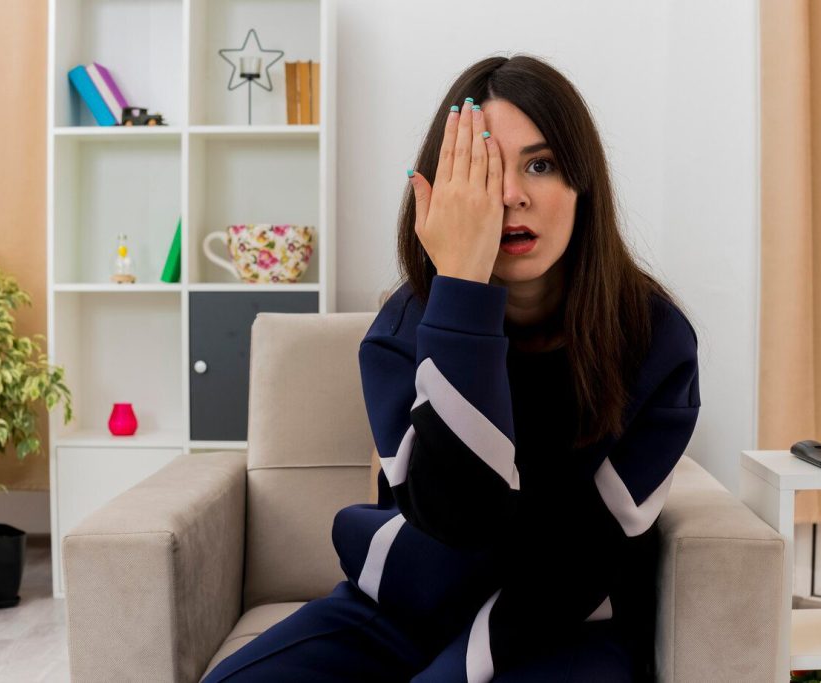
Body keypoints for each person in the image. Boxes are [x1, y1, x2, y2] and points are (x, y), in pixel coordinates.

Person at [201, 53, 700, 683]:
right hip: (403, 605)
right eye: (484, 170)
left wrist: (458, 669)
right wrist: (462, 287)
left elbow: (582, 562)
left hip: (560, 622)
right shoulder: (399, 335)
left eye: (540, 165)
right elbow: (460, 517)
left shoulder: (657, 342)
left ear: (583, 186)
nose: (512, 195)